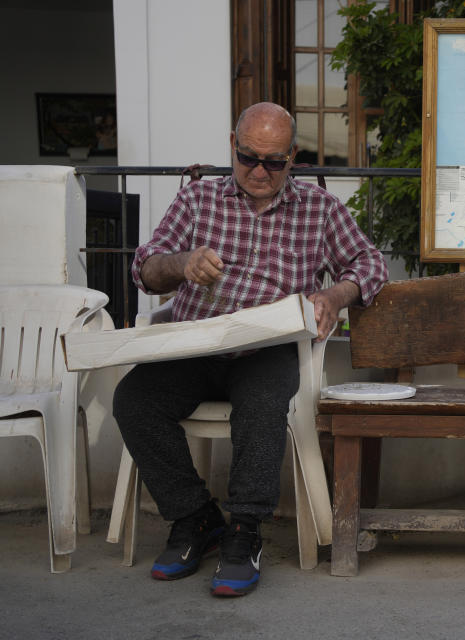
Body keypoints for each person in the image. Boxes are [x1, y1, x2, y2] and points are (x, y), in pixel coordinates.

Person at [113, 102, 387, 597]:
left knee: (261, 403)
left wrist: (334, 295)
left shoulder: (320, 210)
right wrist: (182, 263)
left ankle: (244, 530)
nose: (260, 171)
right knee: (135, 399)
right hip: (196, 343)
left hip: (268, 346)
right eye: (248, 157)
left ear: (293, 158)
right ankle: (195, 518)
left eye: (274, 162)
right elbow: (146, 269)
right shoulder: (198, 200)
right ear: (232, 147)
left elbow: (370, 265)